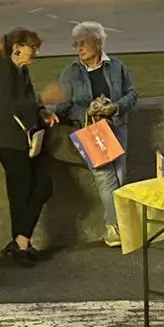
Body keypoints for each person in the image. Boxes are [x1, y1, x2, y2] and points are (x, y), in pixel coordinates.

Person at [58, 21, 139, 246]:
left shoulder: (117, 66)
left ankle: (120, 227)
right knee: (105, 178)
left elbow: (132, 94)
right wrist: (88, 110)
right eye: (76, 44)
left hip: (116, 126)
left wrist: (115, 107)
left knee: (120, 176)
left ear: (98, 42)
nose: (79, 48)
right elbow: (61, 107)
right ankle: (115, 228)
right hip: (91, 132)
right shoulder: (70, 72)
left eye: (83, 43)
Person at [0, 27, 55, 267]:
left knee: (38, 187)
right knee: (23, 190)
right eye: (32, 47)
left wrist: (42, 110)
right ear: (17, 48)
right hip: (9, 141)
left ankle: (20, 242)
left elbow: (26, 103)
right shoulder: (3, 72)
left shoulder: (20, 71)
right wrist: (42, 102)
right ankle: (21, 243)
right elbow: (7, 107)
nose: (35, 52)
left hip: (21, 140)